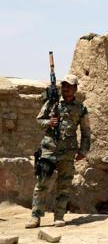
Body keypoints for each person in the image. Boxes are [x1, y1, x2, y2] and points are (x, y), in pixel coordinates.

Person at [26, 74, 91, 229]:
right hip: (49, 150)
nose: (66, 88)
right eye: (64, 85)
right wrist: (49, 122)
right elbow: (38, 120)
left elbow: (86, 131)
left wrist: (83, 150)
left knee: (64, 185)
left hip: (68, 153)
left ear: (75, 88)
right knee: (42, 183)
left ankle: (59, 216)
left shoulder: (81, 108)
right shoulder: (52, 102)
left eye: (69, 86)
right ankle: (35, 217)